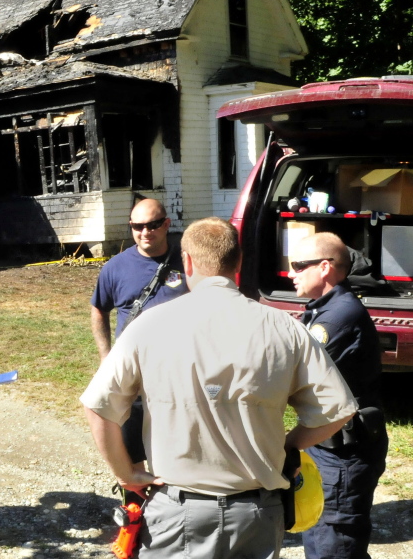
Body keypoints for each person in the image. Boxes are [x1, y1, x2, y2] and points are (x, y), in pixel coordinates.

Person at [82, 217, 358, 559]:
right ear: (239, 262)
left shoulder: (148, 327)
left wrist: (126, 474)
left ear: (187, 262)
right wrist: (290, 443)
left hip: (178, 512)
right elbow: (337, 410)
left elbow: (98, 406)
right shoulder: (285, 328)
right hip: (257, 513)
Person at [288, 232, 388, 559]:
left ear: (326, 268)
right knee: (320, 538)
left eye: (299, 265)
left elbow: (291, 371)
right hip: (326, 448)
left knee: (336, 546)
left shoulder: (340, 315)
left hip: (344, 454)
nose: (291, 273)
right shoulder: (324, 308)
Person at [89, 198, 187, 471]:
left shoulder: (188, 262)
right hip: (133, 369)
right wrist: (105, 356)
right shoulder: (115, 267)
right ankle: (135, 502)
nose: (145, 232)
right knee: (131, 442)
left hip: (178, 369)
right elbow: (98, 309)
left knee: (176, 437)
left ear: (166, 224)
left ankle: (172, 494)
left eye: (153, 225)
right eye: (138, 226)